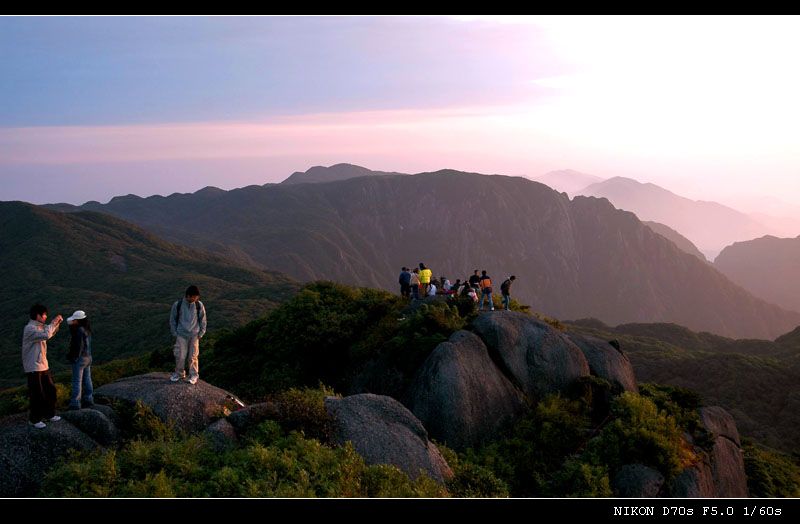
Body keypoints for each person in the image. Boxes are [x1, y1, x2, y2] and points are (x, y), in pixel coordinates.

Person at [21, 304, 63, 428]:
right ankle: (34, 419)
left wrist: (57, 324)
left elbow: (51, 332)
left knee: (50, 390)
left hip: (43, 365)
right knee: (37, 394)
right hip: (33, 366)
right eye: (44, 314)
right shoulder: (29, 328)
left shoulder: (40, 326)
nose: (45, 317)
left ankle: (49, 414)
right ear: (38, 315)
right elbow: (46, 335)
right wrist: (53, 322)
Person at [169, 285, 207, 384]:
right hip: (181, 334)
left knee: (193, 356)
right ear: (187, 296)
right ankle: (179, 373)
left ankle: (194, 375)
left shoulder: (199, 305)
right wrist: (175, 333)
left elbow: (203, 320)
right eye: (193, 297)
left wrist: (201, 333)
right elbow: (172, 320)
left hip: (194, 335)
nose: (195, 299)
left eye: (196, 297)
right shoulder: (178, 304)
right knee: (180, 355)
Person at [66, 310, 94, 410]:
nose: (72, 321)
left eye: (74, 320)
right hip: (88, 357)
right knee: (87, 379)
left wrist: (73, 358)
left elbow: (78, 346)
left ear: (78, 320)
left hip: (80, 358)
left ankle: (75, 403)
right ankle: (88, 399)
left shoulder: (78, 330)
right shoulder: (87, 329)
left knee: (76, 381)